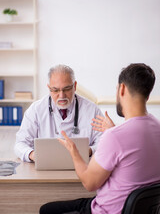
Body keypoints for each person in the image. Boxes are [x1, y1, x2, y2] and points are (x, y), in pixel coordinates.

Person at [39, 63, 160, 214]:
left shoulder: (115, 137)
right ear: (148, 95)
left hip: (107, 210)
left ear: (121, 89)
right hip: (137, 209)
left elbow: (89, 183)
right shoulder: (156, 127)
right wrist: (114, 131)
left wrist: (74, 151)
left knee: (46, 210)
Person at [14, 64, 103, 162]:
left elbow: (104, 143)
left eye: (66, 89)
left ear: (75, 86)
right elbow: (19, 144)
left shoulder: (92, 110)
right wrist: (33, 155)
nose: (61, 95)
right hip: (46, 170)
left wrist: (90, 151)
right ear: (49, 88)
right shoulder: (36, 110)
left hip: (82, 169)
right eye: (55, 90)